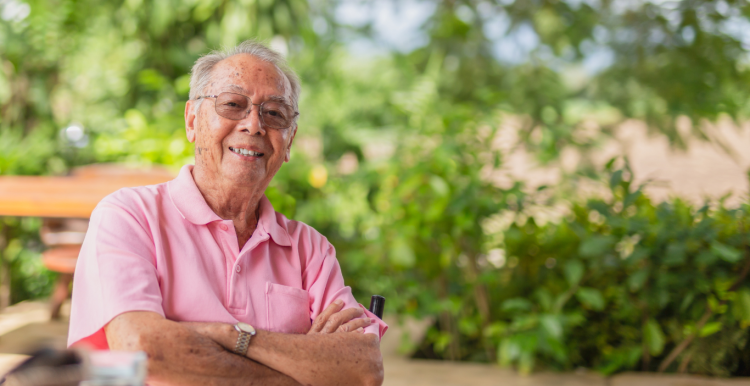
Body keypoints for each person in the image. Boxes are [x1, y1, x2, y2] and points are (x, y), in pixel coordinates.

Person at [67, 40, 387, 386]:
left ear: (289, 140)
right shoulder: (129, 216)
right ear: (192, 120)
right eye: (233, 104)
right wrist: (304, 364)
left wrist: (230, 336)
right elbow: (143, 349)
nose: (254, 125)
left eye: (275, 113)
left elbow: (362, 366)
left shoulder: (310, 249)